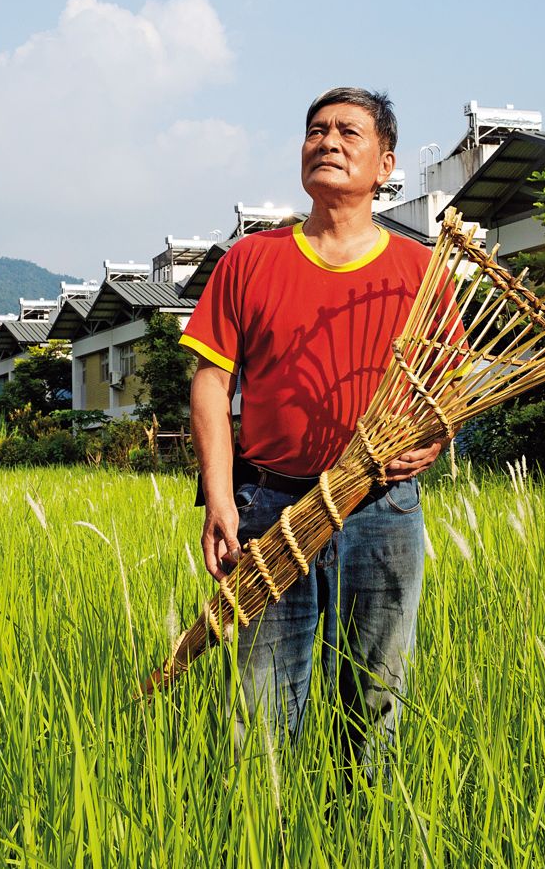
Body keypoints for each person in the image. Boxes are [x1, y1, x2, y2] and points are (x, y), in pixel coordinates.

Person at [179, 86, 445, 766]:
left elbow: (446, 389)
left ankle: (365, 818)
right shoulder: (250, 260)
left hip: (382, 506)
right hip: (271, 505)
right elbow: (211, 382)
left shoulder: (421, 272)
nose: (328, 141)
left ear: (386, 165)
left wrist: (435, 439)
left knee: (376, 698)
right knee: (261, 706)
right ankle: (264, 821)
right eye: (316, 130)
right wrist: (219, 497)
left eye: (349, 132)